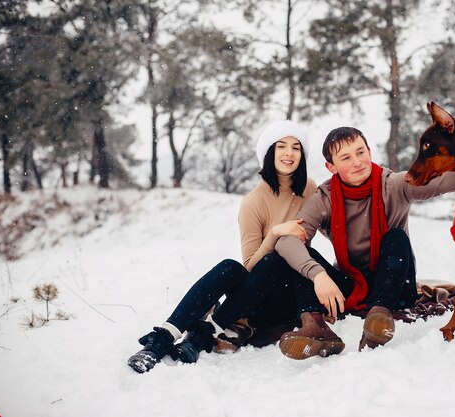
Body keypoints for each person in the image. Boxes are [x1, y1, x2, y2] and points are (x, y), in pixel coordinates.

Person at [275, 126, 455, 360]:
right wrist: (319, 275)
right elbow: (287, 242)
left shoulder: (394, 184)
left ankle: (379, 318)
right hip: (352, 284)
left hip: (396, 285)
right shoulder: (324, 198)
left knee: (396, 238)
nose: (357, 162)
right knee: (300, 256)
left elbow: (449, 180)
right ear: (332, 167)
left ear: (370, 152)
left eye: (360, 152)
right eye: (346, 157)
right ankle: (316, 328)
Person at [127, 120, 319, 373]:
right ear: (268, 153)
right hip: (256, 296)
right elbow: (250, 267)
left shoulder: (310, 189)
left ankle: (204, 332)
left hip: (289, 296)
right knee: (231, 267)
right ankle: (163, 340)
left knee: (276, 261)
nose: (289, 153)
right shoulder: (253, 202)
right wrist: (274, 233)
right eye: (281, 146)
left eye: (296, 147)